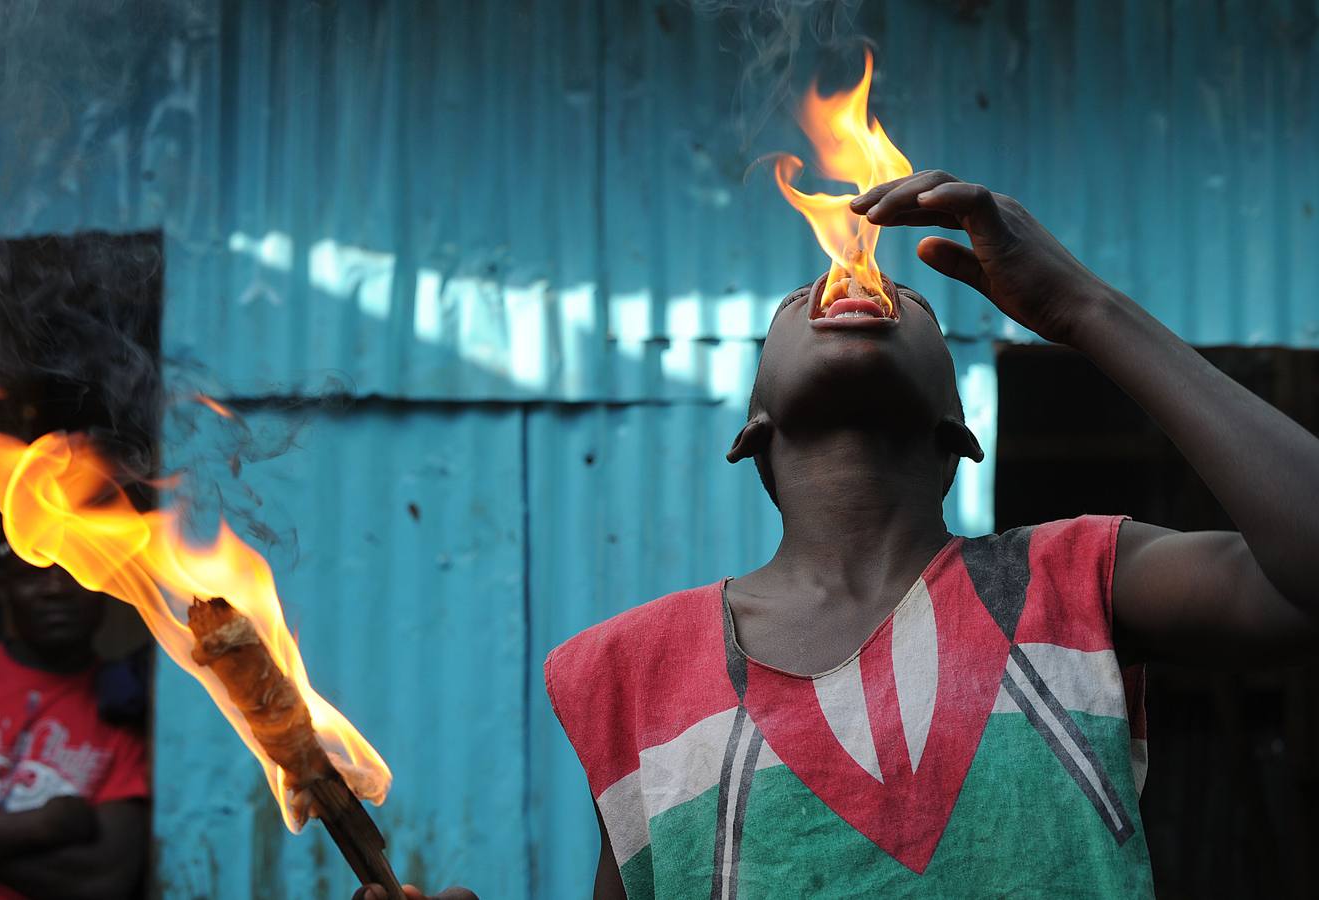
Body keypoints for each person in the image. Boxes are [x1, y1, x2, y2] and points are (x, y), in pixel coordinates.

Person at [533, 172, 1319, 898]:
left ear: (958, 429)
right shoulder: (634, 671)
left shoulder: (1076, 578)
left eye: (912, 302)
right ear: (753, 432)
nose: (849, 279)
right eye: (793, 304)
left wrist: (1082, 308)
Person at [0, 549, 149, 899]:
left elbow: (101, 881)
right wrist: (45, 825)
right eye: (32, 574)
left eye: (76, 572)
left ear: (105, 588)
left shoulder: (122, 712)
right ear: (3, 588)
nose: (56, 589)